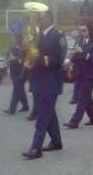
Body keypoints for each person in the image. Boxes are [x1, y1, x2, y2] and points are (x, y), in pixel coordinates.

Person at [22, 10, 66, 159]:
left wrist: (38, 57)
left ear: (48, 19)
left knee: (42, 115)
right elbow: (33, 53)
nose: (37, 21)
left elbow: (58, 60)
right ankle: (56, 142)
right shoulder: (39, 34)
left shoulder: (57, 35)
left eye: (39, 19)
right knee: (49, 114)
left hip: (50, 82)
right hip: (39, 80)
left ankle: (36, 148)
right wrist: (27, 50)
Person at [63, 21, 93, 129]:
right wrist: (72, 56)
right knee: (87, 98)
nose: (82, 33)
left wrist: (82, 53)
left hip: (89, 74)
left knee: (82, 98)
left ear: (90, 30)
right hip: (79, 73)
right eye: (80, 31)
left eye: (84, 30)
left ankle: (74, 122)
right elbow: (76, 57)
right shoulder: (80, 41)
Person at [4, 33, 29, 114]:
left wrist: (13, 58)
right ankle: (25, 106)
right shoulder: (13, 47)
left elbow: (21, 61)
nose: (12, 39)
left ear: (18, 39)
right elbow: (9, 58)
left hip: (20, 72)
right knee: (20, 89)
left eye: (14, 38)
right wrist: (8, 54)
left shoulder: (23, 48)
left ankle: (12, 109)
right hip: (14, 71)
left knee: (16, 90)